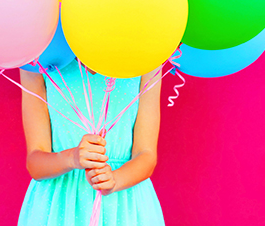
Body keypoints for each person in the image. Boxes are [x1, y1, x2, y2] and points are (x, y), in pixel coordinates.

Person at [18, 60, 165, 225]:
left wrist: (115, 180)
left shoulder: (149, 58)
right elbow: (35, 163)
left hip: (123, 202)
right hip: (60, 203)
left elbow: (146, 155)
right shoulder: (37, 58)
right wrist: (72, 158)